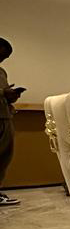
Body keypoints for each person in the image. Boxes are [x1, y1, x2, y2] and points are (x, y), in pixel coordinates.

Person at [0, 38, 25, 207]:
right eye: (3, 54)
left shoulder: (1, 71)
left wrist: (11, 95)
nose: (5, 58)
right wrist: (3, 92)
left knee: (3, 157)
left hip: (4, 116)